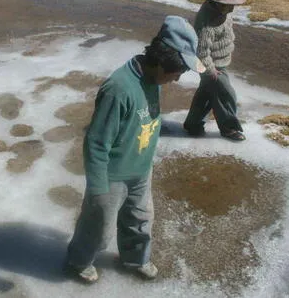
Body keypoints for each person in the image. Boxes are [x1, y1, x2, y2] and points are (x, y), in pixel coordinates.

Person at [65, 16, 206, 283]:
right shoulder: (119, 89)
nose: (178, 79)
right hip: (111, 176)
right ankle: (78, 260)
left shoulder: (154, 79)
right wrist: (98, 188)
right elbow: (96, 142)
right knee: (99, 228)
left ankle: (135, 257)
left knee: (141, 220)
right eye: (178, 71)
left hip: (140, 170)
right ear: (163, 60)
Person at [183, 0, 246, 141]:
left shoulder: (225, 11)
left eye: (234, 4)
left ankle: (193, 125)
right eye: (229, 4)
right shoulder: (206, 22)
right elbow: (201, 51)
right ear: (217, 3)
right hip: (210, 65)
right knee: (225, 94)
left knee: (205, 95)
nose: (232, 8)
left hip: (220, 62)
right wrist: (211, 70)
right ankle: (229, 129)